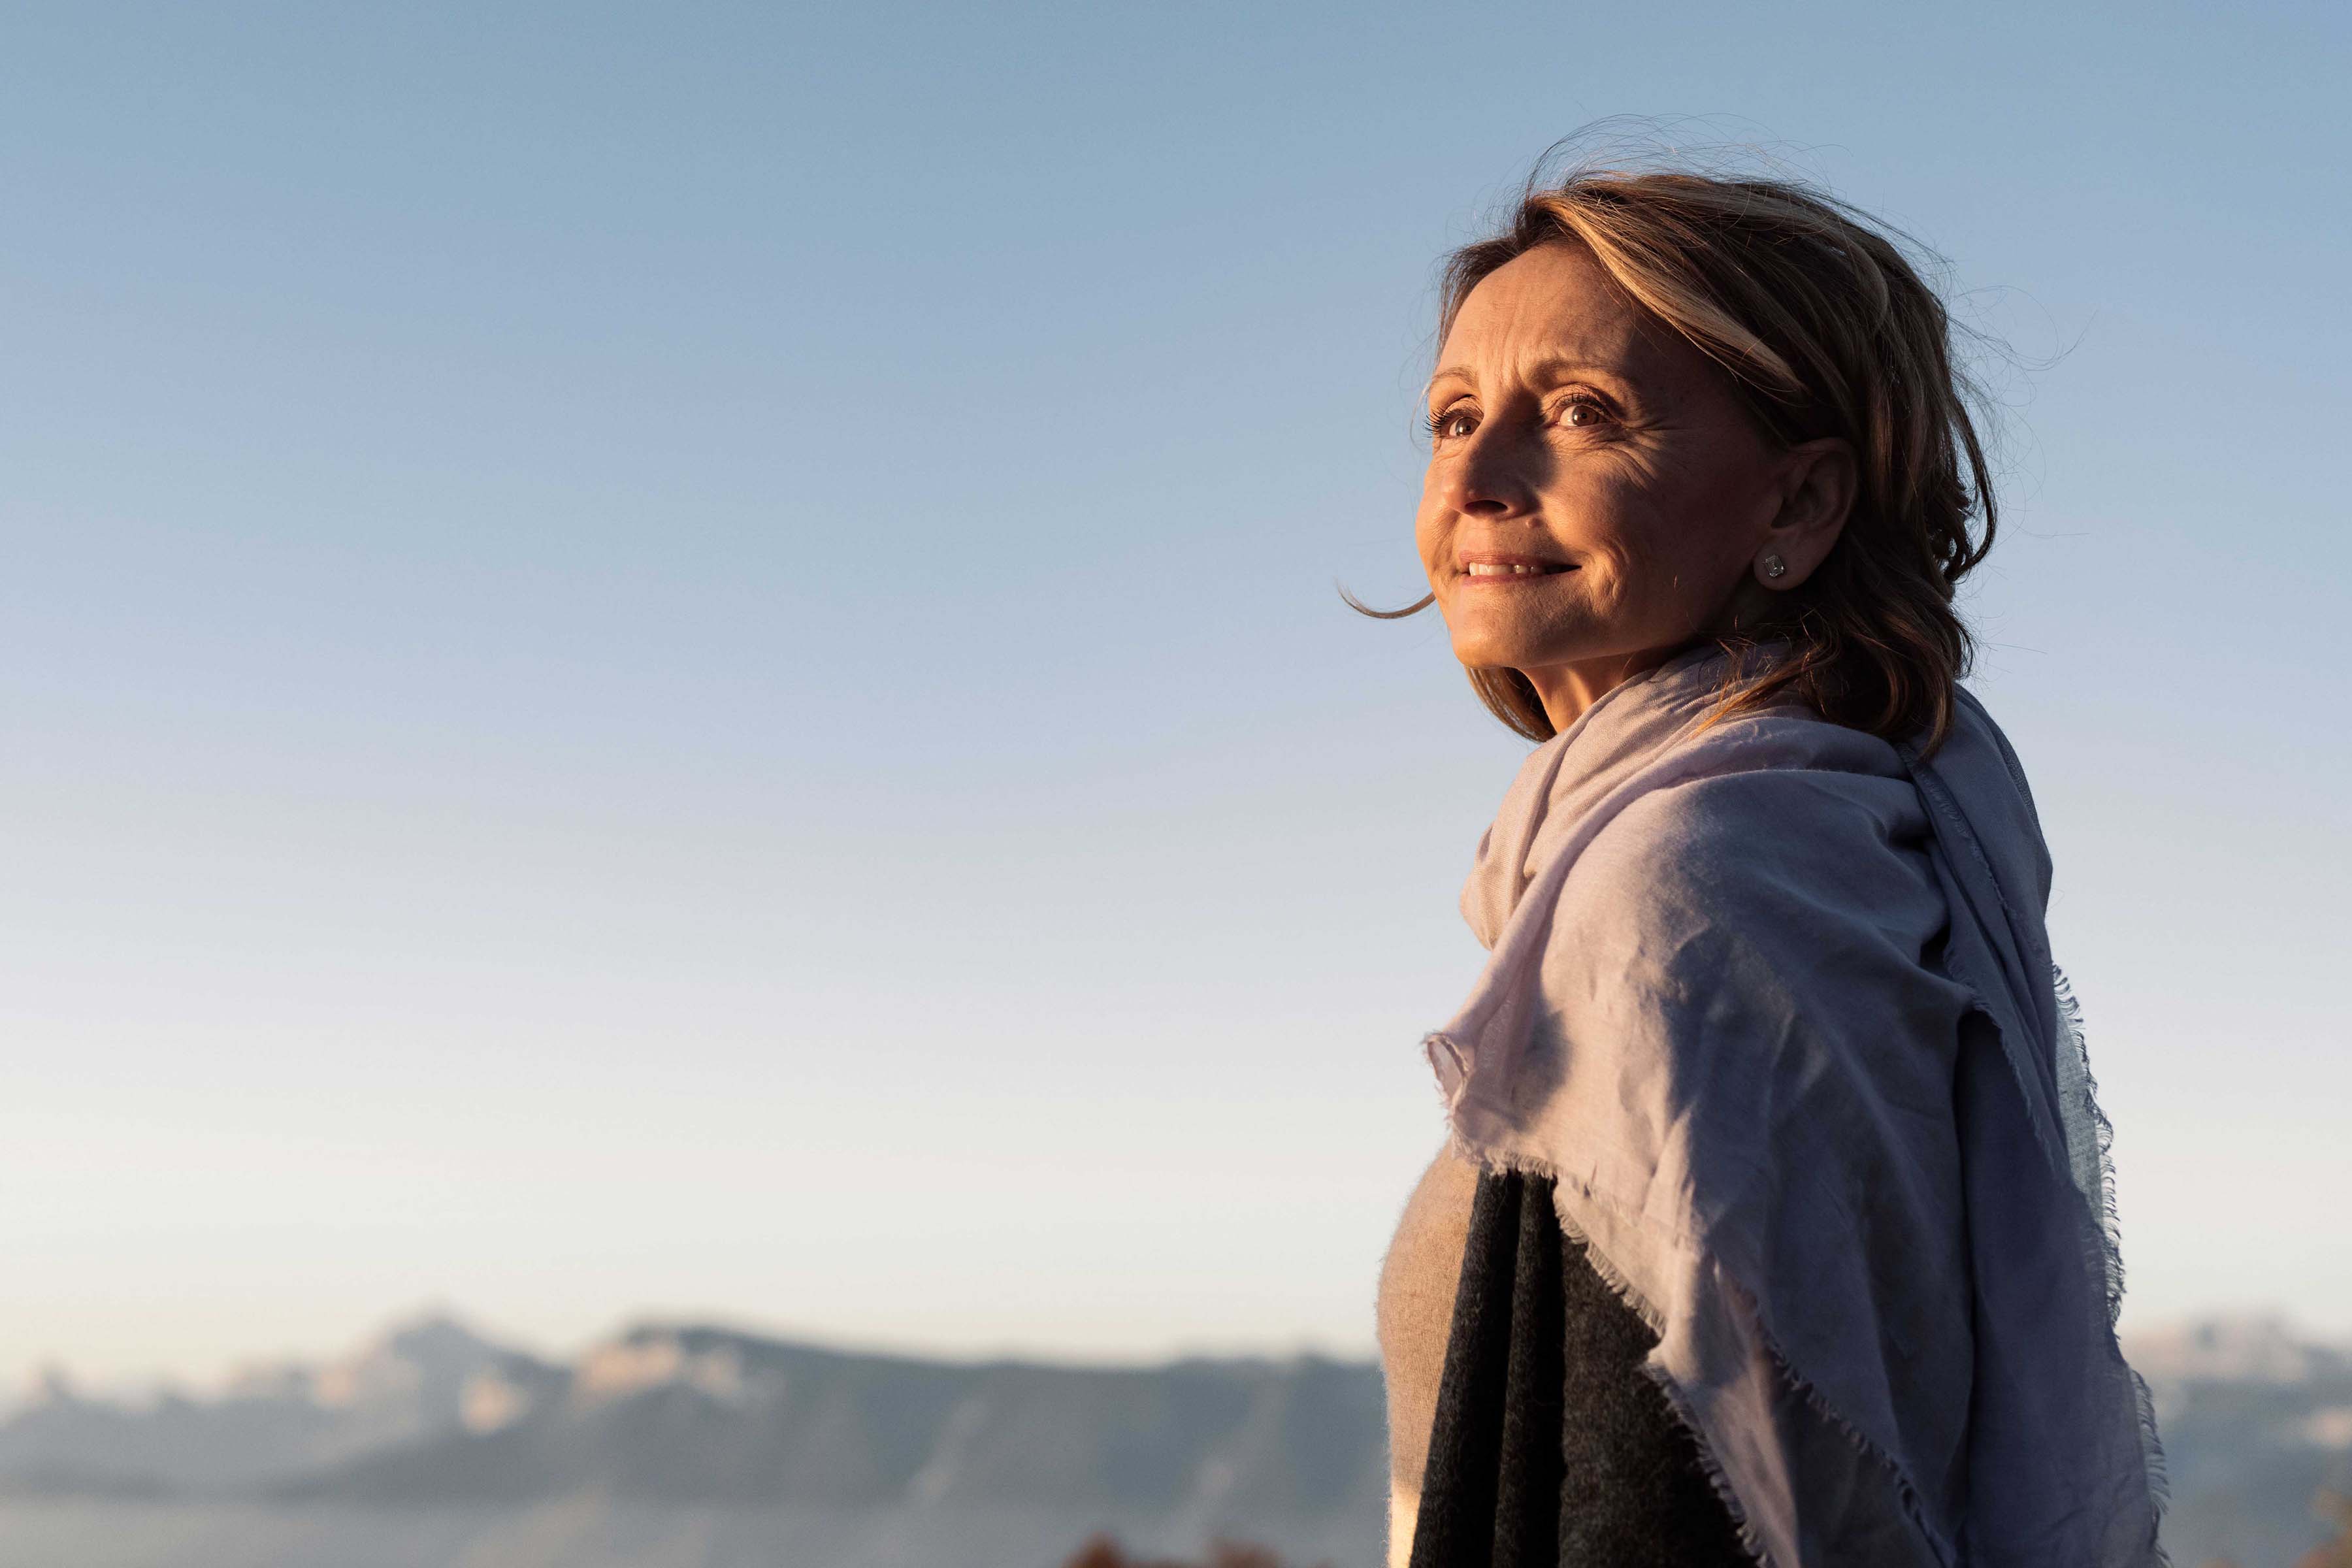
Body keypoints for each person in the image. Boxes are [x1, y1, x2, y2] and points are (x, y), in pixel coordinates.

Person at [1362, 161, 2169, 1567]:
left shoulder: (1690, 892)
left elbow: (1664, 1506)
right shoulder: (1835, 834)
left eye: (1580, 414)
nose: (1480, 479)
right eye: (1452, 418)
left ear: (1797, 505)